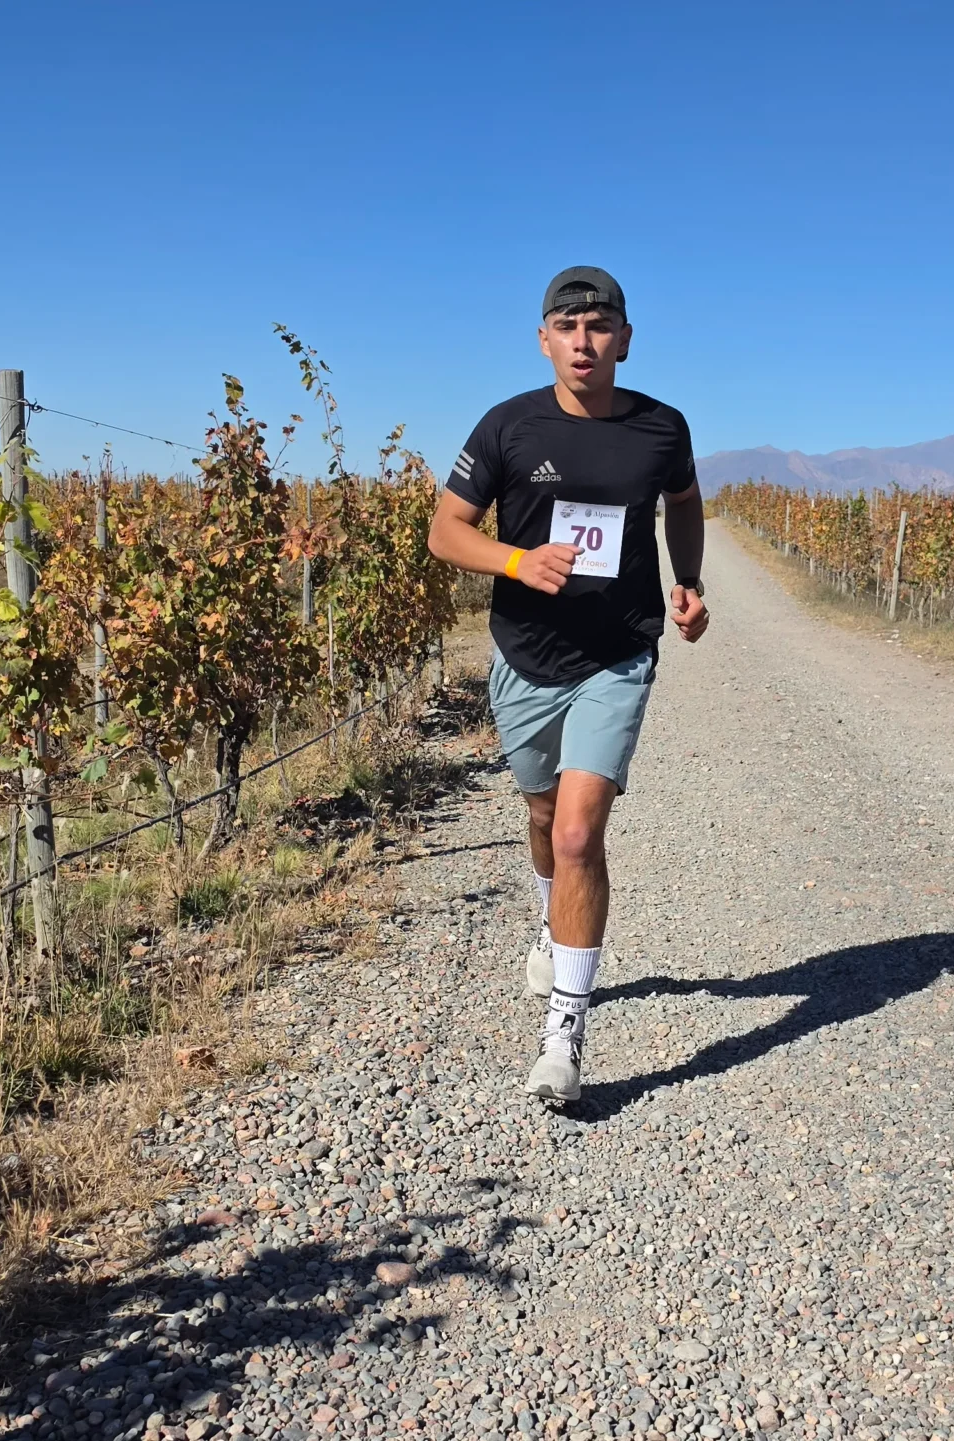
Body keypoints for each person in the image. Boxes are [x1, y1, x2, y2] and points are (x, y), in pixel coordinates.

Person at [427, 265, 709, 1103]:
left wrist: (688, 580)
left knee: (582, 833)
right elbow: (445, 531)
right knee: (545, 817)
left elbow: (684, 499)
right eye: (568, 326)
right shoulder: (508, 425)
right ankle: (552, 921)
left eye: (599, 326)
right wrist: (517, 561)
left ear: (625, 339)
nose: (584, 341)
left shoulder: (662, 428)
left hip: (618, 654)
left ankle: (565, 1035)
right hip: (524, 656)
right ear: (544, 339)